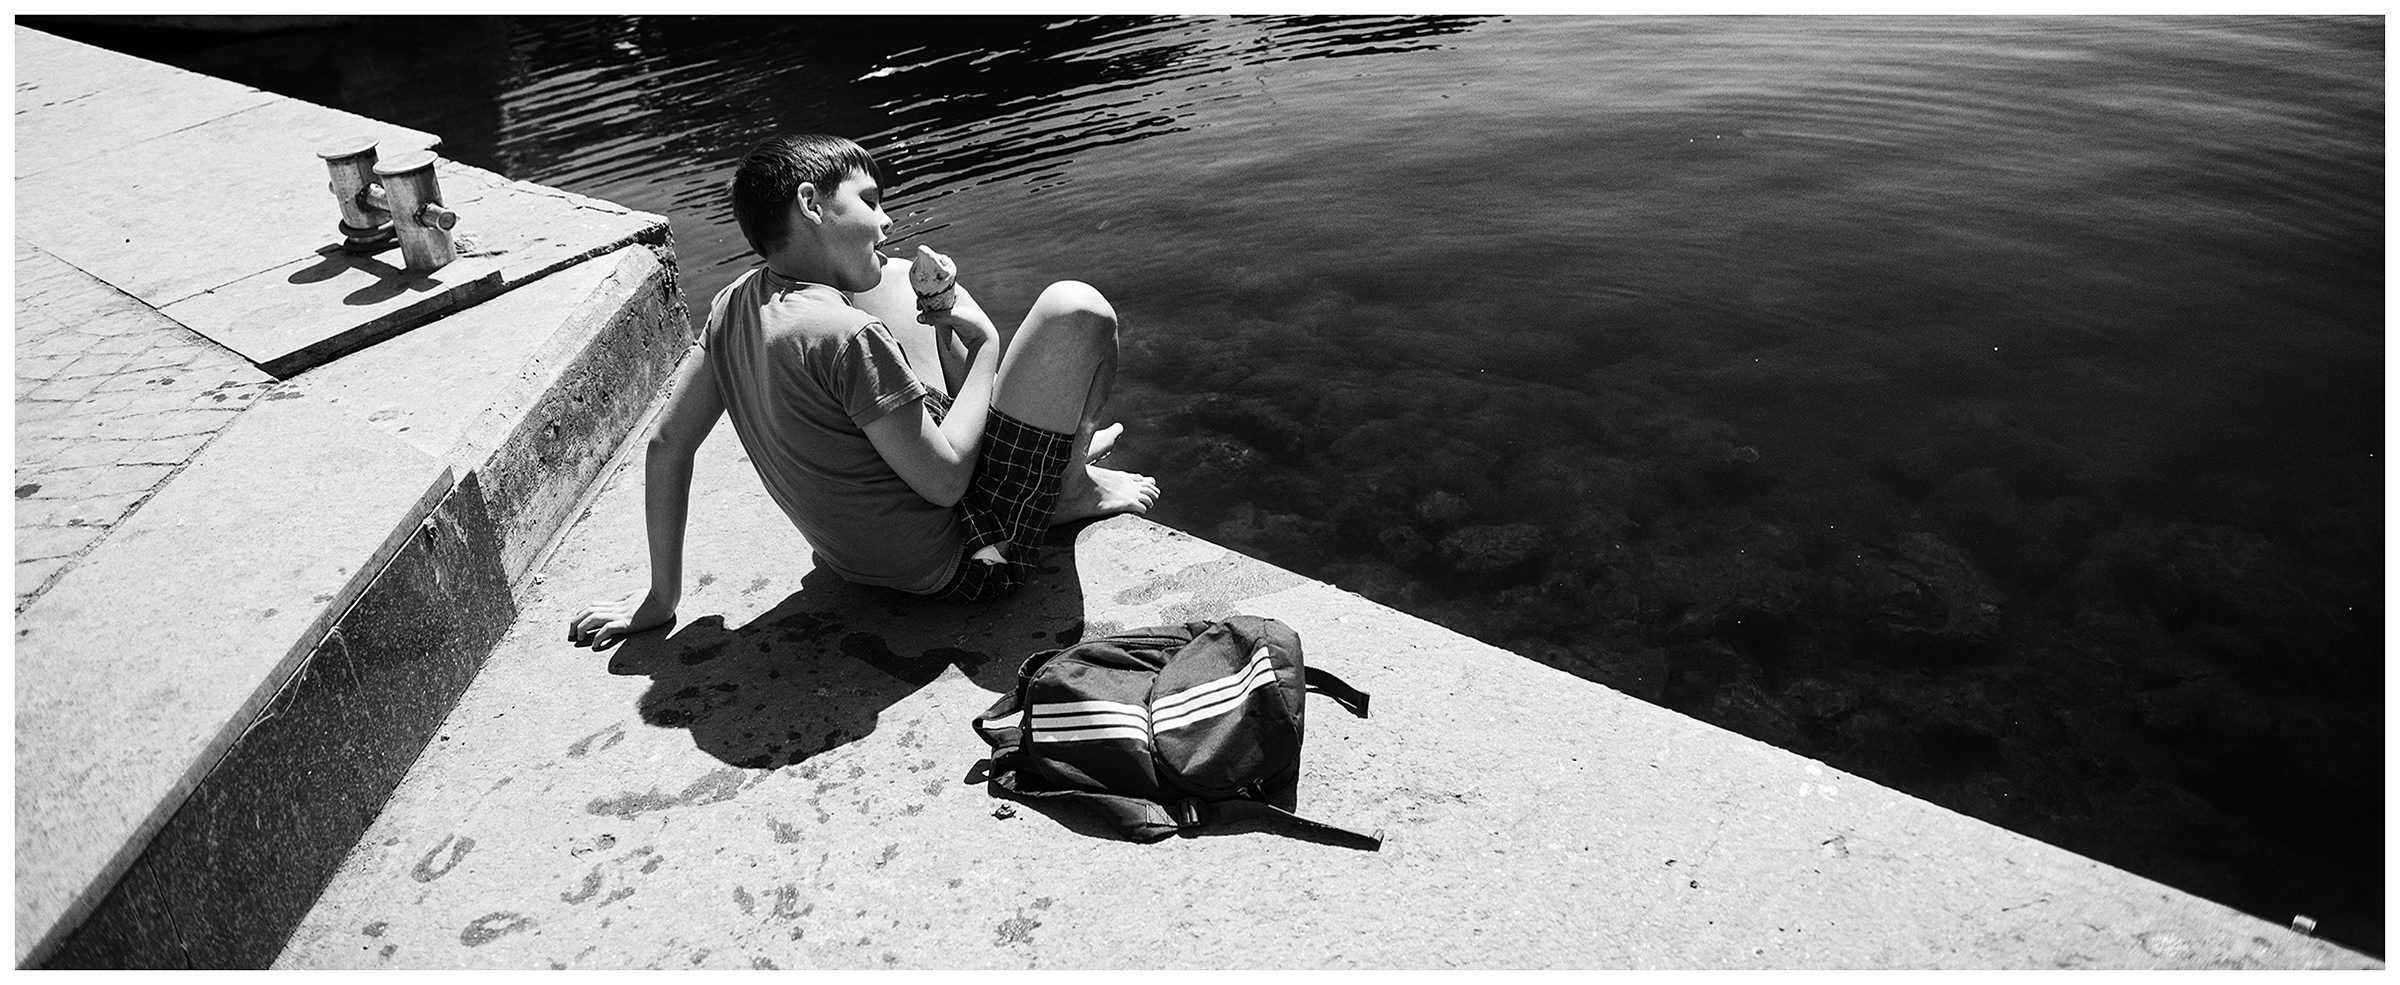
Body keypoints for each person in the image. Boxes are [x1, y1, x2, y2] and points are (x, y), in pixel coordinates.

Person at [567, 134, 1158, 648]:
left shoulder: (733, 305)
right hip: (974, 562)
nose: (887, 220)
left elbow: (668, 444)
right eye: (871, 202)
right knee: (1076, 309)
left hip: (852, 561)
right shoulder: (847, 335)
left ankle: (1049, 457)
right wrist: (984, 347)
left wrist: (661, 596)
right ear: (811, 204)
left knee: (898, 278)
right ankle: (1068, 487)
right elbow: (948, 480)